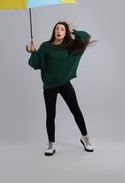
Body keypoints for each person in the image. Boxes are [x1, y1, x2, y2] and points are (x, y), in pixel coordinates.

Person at [27, 21, 94, 156]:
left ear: (66, 32)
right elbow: (35, 64)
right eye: (57, 28)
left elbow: (86, 37)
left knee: (76, 110)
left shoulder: (70, 47)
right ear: (54, 31)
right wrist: (33, 52)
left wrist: (72, 30)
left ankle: (85, 137)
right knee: (50, 115)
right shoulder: (46, 47)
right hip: (49, 87)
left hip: (65, 84)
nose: (59, 31)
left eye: (62, 29)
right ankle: (51, 143)